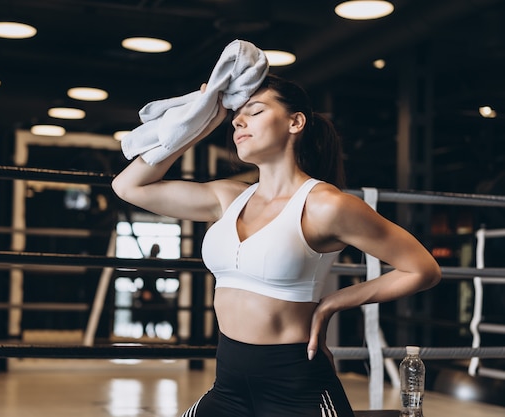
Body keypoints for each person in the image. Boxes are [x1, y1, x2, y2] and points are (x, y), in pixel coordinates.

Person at [112, 73, 441, 417]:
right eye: (236, 115)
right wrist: (196, 123)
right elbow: (128, 187)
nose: (238, 120)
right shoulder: (228, 197)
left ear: (295, 122)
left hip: (297, 389)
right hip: (227, 386)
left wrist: (331, 304)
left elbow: (422, 268)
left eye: (254, 111)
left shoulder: (325, 205)